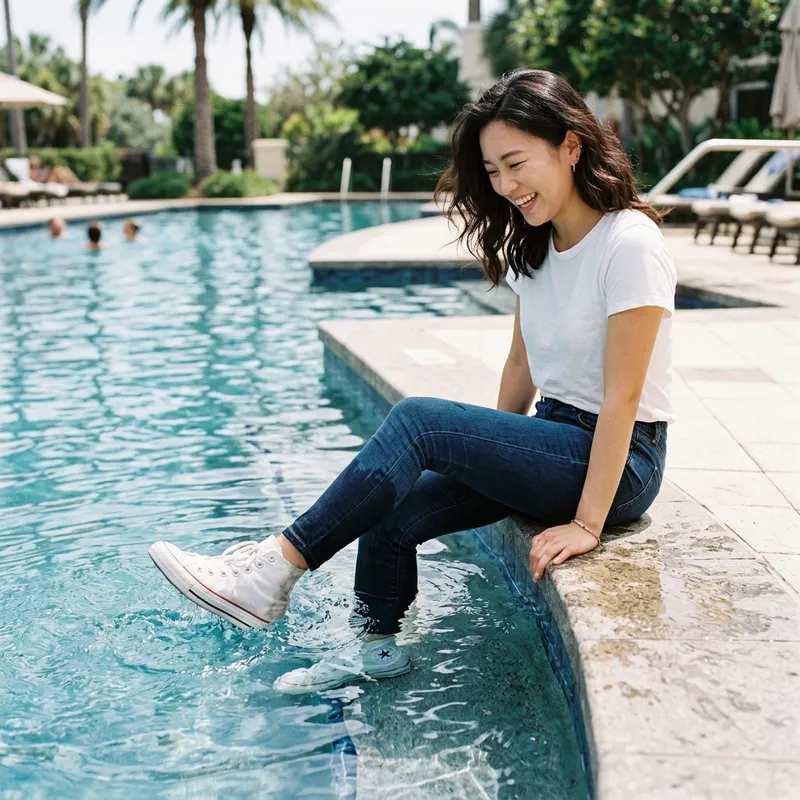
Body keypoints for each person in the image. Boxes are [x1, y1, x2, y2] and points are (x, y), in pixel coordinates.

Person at [148, 69, 676, 695]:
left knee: (420, 421)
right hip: (554, 438)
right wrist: (486, 456)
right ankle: (375, 645)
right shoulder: (535, 248)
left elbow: (623, 399)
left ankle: (275, 569)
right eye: (492, 171)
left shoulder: (629, 243)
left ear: (570, 144)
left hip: (623, 463)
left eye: (515, 163)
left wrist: (588, 525)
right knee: (392, 499)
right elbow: (520, 368)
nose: (505, 186)